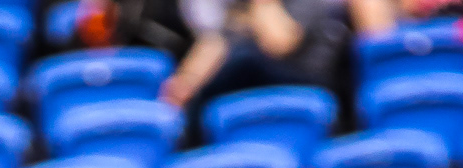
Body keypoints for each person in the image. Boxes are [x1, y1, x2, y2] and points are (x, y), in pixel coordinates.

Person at [161, 0, 388, 105]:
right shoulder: (240, 7)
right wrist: (185, 82)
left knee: (244, 60)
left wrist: (262, 4)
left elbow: (279, 44)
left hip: (308, 79)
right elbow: (218, 41)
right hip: (262, 81)